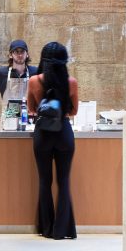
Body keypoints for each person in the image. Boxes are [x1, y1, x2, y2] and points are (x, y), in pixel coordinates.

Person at [27, 41, 79, 239]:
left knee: (44, 180)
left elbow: (31, 109)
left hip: (43, 133)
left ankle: (46, 228)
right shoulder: (71, 82)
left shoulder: (34, 81)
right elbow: (74, 111)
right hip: (64, 132)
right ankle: (63, 230)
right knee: (64, 181)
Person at [0, 40, 37, 127]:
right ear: (10, 55)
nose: (20, 55)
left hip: (29, 115)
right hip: (10, 114)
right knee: (10, 139)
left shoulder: (35, 72)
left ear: (27, 54)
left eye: (22, 51)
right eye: (16, 52)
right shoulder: (1, 73)